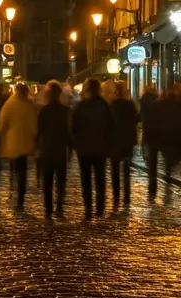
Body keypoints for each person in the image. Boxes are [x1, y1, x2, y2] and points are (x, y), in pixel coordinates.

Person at [71, 77, 114, 217]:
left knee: (86, 179)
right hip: (100, 148)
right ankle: (100, 207)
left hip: (84, 148)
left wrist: (76, 143)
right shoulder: (105, 106)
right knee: (100, 178)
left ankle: (88, 207)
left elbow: (73, 127)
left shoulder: (80, 106)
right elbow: (111, 127)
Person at [0, 83, 38, 208]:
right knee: (22, 170)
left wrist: (0, 136)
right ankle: (21, 196)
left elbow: (1, 124)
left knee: (14, 167)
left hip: (11, 143)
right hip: (24, 144)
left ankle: (12, 185)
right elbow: (33, 126)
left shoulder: (9, 104)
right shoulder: (27, 105)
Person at [37, 81, 70, 217]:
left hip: (48, 149)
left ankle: (48, 208)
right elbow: (69, 132)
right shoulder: (66, 111)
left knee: (48, 180)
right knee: (60, 180)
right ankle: (59, 205)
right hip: (60, 150)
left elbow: (40, 130)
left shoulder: (44, 111)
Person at [108, 80, 139, 208]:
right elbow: (137, 119)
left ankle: (116, 196)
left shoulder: (112, 105)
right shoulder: (130, 105)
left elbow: (107, 123)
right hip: (127, 140)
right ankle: (126, 196)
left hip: (115, 141)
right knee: (126, 170)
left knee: (115, 170)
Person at [138, 85, 160, 199]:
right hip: (156, 133)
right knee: (154, 159)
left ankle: (152, 184)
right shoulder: (157, 102)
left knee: (150, 157)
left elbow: (140, 115)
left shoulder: (142, 101)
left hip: (148, 131)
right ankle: (153, 183)